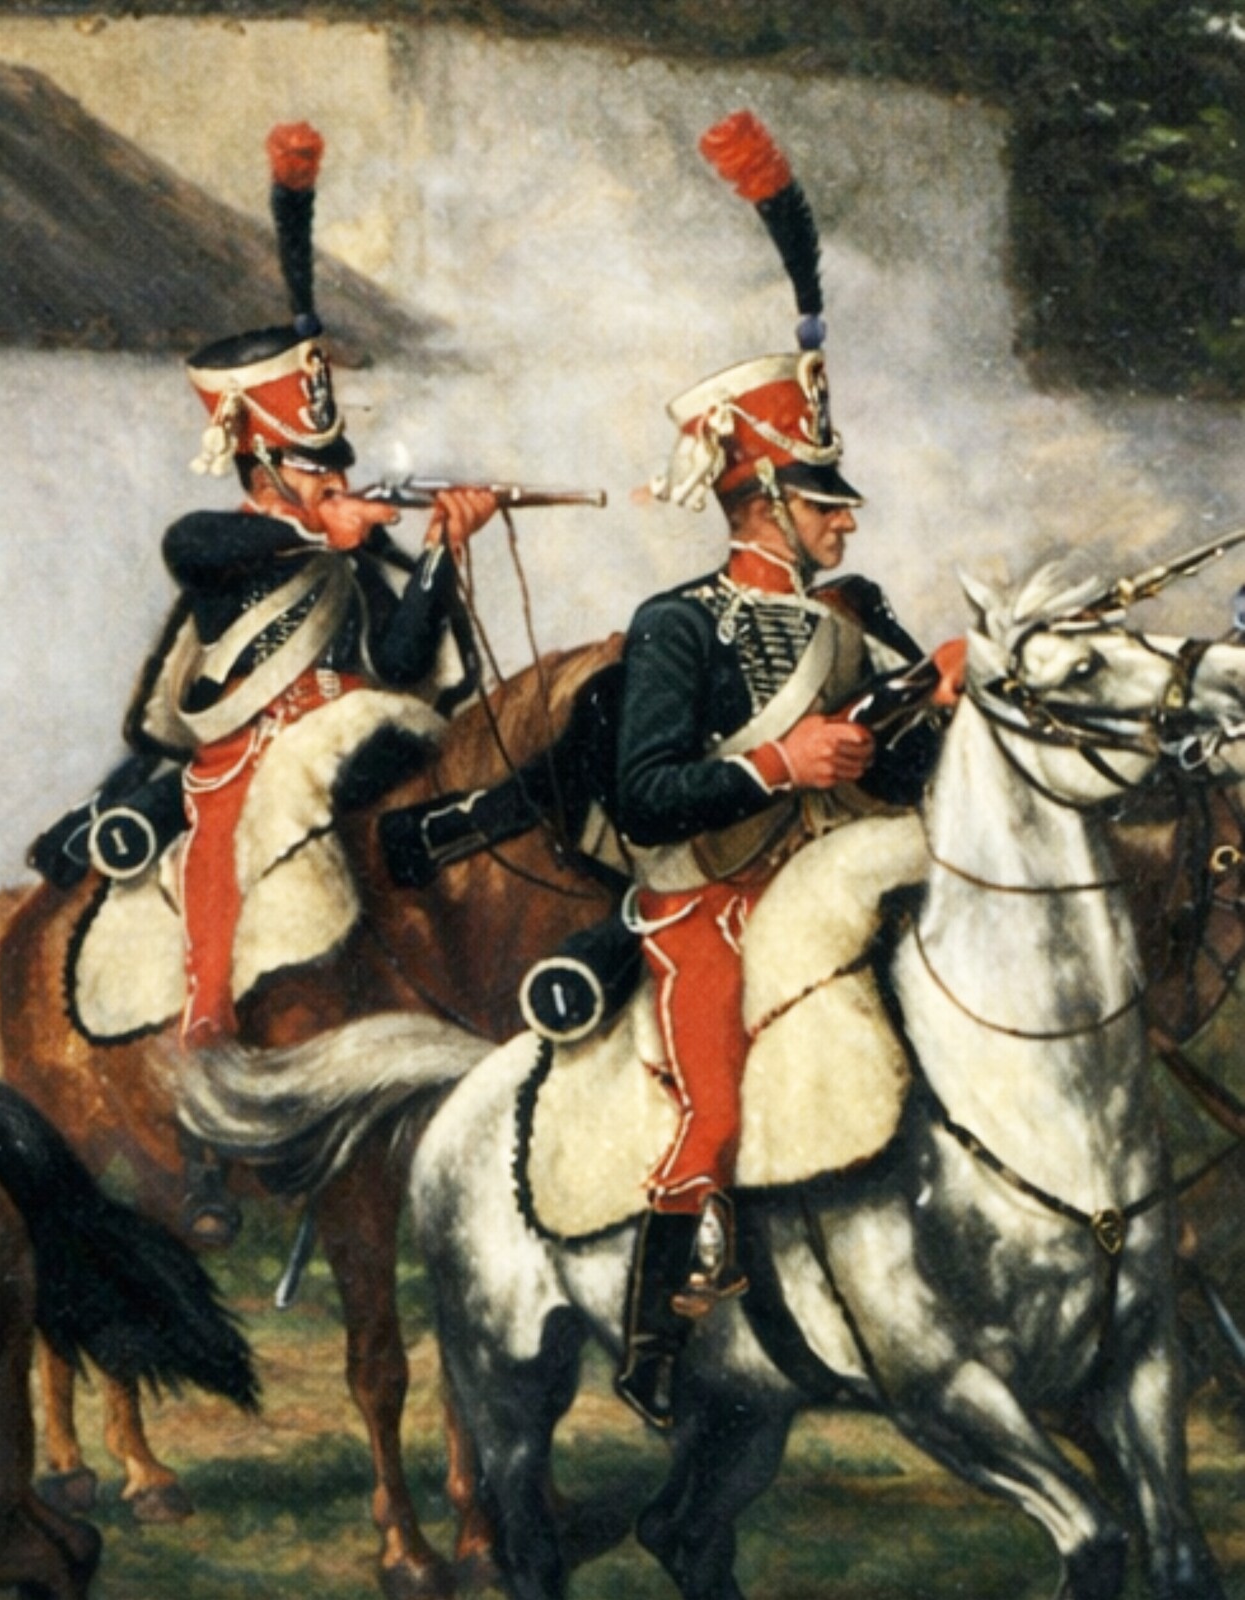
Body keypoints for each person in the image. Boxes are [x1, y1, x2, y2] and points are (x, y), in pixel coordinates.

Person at [29, 122, 499, 1239]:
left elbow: (402, 664)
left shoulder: (349, 551)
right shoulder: (227, 544)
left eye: (335, 466)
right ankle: (203, 1134)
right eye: (307, 466)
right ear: (257, 461)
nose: (330, 479)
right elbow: (194, 548)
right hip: (242, 769)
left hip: (359, 747)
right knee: (216, 941)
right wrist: (322, 532)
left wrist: (441, 547)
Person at [607, 110, 962, 1428]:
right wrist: (775, 760)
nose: (845, 518)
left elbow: (895, 775)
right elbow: (642, 795)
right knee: (710, 1117)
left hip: (832, 889)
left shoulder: (850, 622)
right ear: (758, 497)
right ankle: (652, 1341)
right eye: (823, 501)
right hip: (706, 904)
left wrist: (935, 696)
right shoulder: (676, 626)